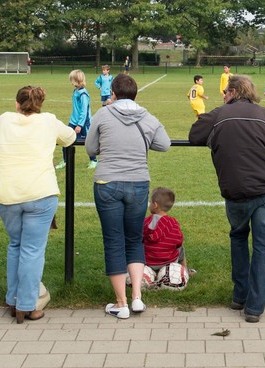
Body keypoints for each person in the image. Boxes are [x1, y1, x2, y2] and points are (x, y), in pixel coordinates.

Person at [189, 75, 265, 323]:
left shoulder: (218, 114)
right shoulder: (264, 114)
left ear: (233, 92)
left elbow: (194, 134)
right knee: (262, 246)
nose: (223, 94)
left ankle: (240, 296)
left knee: (238, 237)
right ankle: (254, 307)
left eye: (225, 91)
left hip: (235, 189)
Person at [85, 74, 171, 319]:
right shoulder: (147, 116)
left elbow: (91, 148)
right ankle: (136, 299)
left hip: (107, 182)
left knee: (113, 241)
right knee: (134, 239)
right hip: (138, 183)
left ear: (112, 93)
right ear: (136, 94)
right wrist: (141, 143)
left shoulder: (103, 114)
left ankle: (120, 302)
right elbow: (164, 144)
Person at [0, 86, 76, 323]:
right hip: (40, 193)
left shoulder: (5, 119)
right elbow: (70, 137)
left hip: (7, 193)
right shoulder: (48, 121)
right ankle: (27, 305)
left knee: (15, 246)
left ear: (17, 104)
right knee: (32, 250)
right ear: (40, 104)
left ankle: (14, 300)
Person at [57, 70, 96, 170]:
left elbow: (84, 111)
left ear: (77, 80)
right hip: (73, 122)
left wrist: (80, 125)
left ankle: (94, 160)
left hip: (83, 123)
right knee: (65, 139)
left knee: (88, 142)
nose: (71, 81)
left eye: (72, 79)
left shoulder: (83, 94)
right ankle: (65, 160)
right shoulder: (76, 91)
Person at [143, 187, 187, 269]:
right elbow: (179, 241)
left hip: (147, 262)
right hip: (168, 263)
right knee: (180, 247)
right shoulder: (173, 223)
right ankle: (184, 270)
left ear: (155, 205)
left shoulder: (146, 222)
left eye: (150, 202)